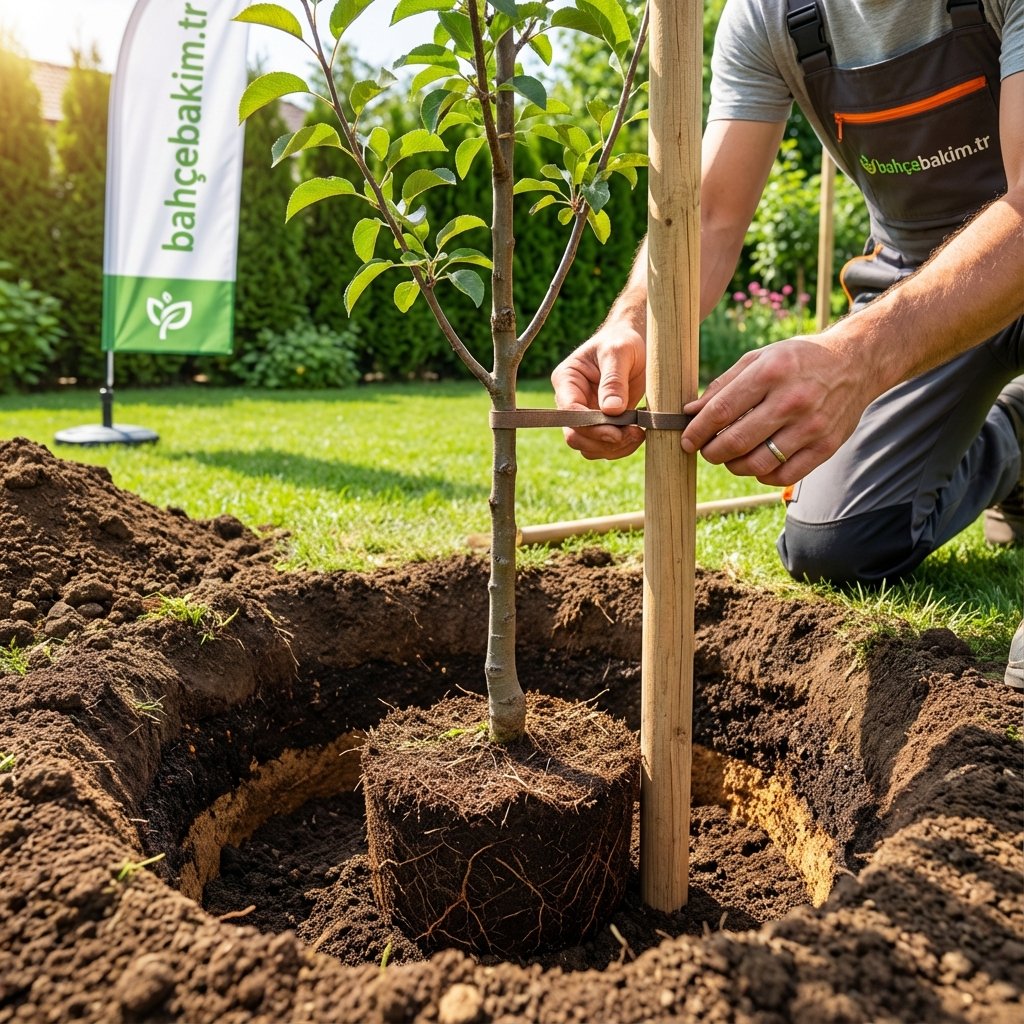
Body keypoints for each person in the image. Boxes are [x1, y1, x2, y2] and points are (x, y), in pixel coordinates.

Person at [550, 0, 1024, 688]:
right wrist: (635, 319)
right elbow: (710, 216)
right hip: (915, 283)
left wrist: (858, 358)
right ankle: (1013, 434)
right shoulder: (771, 15)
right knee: (835, 544)